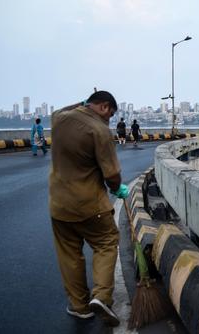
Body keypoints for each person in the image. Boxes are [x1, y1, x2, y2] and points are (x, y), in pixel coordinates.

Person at [49, 90, 128, 327]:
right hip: (90, 205)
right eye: (110, 113)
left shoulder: (59, 119)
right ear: (103, 107)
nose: (109, 119)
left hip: (58, 205)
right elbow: (112, 173)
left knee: (69, 255)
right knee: (106, 242)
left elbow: (57, 111)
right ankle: (102, 297)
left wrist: (83, 102)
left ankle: (79, 306)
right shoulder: (100, 130)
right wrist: (117, 188)